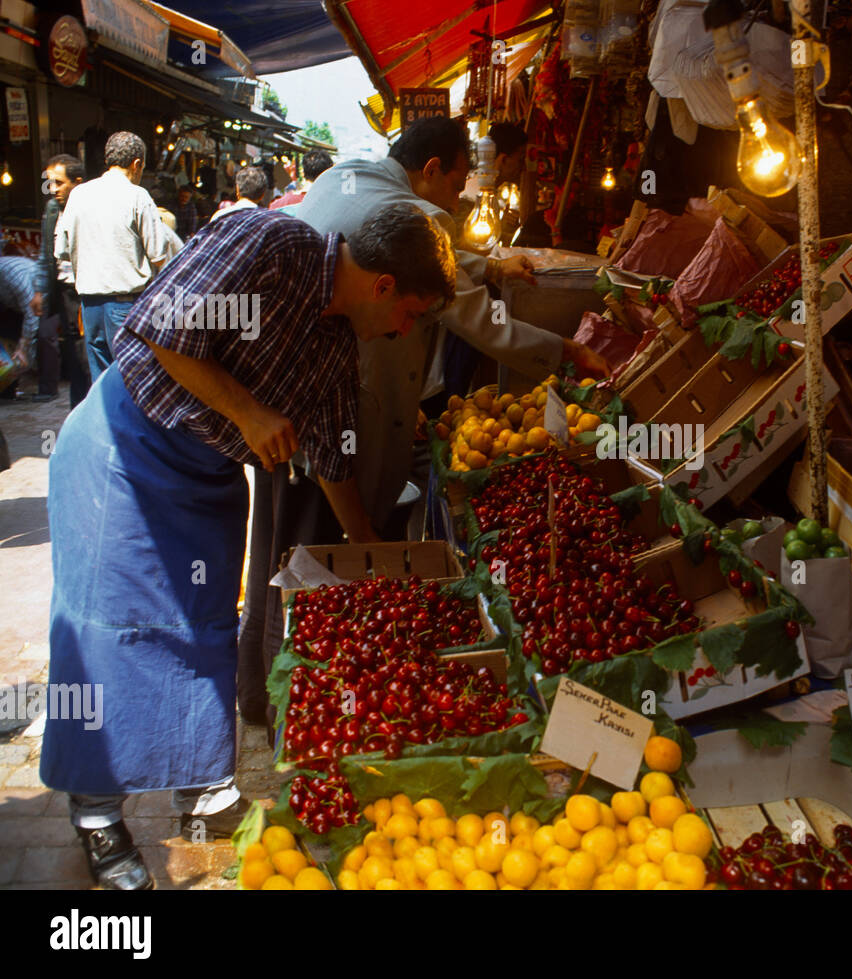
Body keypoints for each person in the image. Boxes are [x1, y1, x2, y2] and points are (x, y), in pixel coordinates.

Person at [42, 203, 457, 890]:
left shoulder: (335, 348)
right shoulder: (271, 245)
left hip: (203, 477)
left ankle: (202, 792)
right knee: (111, 635)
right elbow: (159, 327)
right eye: (411, 313)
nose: (405, 330)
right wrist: (248, 411)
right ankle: (97, 816)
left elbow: (331, 461)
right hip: (125, 453)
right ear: (384, 286)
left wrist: (376, 554)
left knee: (202, 631)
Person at [235, 118, 608, 731]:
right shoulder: (413, 216)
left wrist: (488, 266)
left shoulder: (343, 176)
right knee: (321, 550)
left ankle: (262, 687)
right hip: (344, 398)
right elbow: (466, 313)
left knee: (279, 539)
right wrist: (564, 350)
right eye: (458, 180)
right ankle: (305, 704)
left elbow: (417, 254)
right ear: (431, 169)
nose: (460, 197)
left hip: (288, 406)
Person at [54, 131, 170, 381]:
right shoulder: (137, 196)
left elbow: (61, 250)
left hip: (89, 306)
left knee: (102, 383)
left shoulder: (79, 194)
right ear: (137, 164)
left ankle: (105, 421)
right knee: (132, 381)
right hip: (126, 305)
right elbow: (159, 255)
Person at [33, 154, 90, 406]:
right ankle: (77, 408)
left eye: (59, 182)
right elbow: (46, 255)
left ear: (77, 182)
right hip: (63, 292)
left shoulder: (90, 207)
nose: (53, 189)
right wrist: (39, 292)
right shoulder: (52, 209)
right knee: (71, 354)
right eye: (51, 183)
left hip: (87, 291)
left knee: (86, 354)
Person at [0, 257, 42, 397]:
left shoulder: (13, 276)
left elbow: (32, 313)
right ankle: (7, 388)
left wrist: (24, 346)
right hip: (13, 306)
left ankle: (47, 389)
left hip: (39, 302)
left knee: (45, 338)